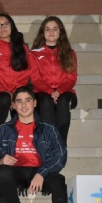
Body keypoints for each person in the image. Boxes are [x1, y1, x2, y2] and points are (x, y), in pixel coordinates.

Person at [0, 86, 76, 203]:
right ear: (13, 105)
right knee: (1, 173)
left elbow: (60, 156)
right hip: (16, 172)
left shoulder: (48, 128)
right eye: (19, 101)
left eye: (28, 100)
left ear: (35, 103)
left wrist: (41, 173)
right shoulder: (5, 129)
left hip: (39, 171)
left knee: (58, 180)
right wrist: (0, 160)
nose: (24, 105)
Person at [30, 16, 78, 145]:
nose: (51, 32)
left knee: (63, 102)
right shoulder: (34, 54)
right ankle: (49, 141)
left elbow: (71, 78)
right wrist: (50, 91)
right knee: (46, 101)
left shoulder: (70, 53)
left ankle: (61, 144)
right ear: (43, 32)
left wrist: (59, 91)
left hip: (65, 91)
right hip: (42, 91)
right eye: (47, 29)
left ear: (60, 32)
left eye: (55, 29)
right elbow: (36, 79)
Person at [0, 13, 31, 129]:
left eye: (6, 24)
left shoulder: (22, 48)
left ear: (12, 26)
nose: (3, 27)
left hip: (18, 90)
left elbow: (26, 73)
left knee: (21, 100)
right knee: (5, 98)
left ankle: (21, 138)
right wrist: (8, 93)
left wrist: (15, 93)